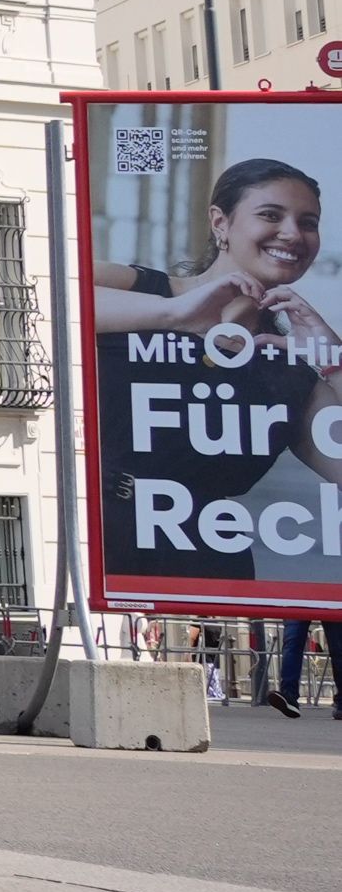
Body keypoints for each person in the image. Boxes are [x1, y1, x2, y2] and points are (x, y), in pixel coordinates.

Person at [87, 159, 342, 584]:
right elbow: (49, 290)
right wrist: (172, 314)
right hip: (101, 539)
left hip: (205, 563)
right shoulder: (141, 290)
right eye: (270, 215)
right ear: (220, 222)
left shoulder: (289, 372)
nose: (293, 234)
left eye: (308, 222)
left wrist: (332, 356)